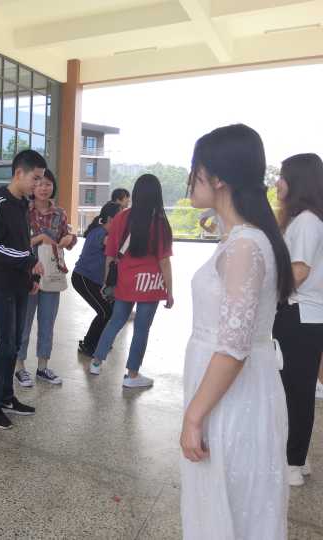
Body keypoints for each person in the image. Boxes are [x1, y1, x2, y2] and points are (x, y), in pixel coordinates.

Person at [179, 124, 293, 539]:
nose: (191, 178)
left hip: (231, 396)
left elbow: (232, 347)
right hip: (230, 389)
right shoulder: (246, 238)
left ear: (219, 178)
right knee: (229, 501)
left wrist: (194, 417)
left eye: (196, 168)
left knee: (230, 506)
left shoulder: (245, 245)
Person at [0, 149, 45, 429]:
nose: (38, 184)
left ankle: (7, 397)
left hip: (20, 282)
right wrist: (29, 261)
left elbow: (22, 243)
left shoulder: (22, 204)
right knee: (5, 345)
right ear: (19, 173)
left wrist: (30, 278)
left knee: (15, 344)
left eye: (42, 179)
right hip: (2, 283)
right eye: (35, 178)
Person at [89, 174, 174, 388]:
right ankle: (132, 375)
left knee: (116, 320)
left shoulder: (122, 217)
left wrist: (107, 282)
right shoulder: (160, 222)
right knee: (142, 329)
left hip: (125, 280)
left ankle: (96, 362)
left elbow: (110, 254)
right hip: (150, 284)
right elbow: (164, 261)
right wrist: (170, 291)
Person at [272, 153, 323, 487]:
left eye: (282, 176)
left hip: (299, 313)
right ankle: (298, 457)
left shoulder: (305, 221)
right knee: (298, 388)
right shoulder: (309, 220)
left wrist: (266, 289)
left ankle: (292, 462)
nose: (278, 183)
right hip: (306, 315)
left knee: (295, 390)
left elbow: (299, 271)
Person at [14, 169, 76, 387]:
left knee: (47, 323)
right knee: (24, 323)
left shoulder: (59, 213)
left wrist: (69, 238)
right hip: (27, 273)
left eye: (48, 183)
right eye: (39, 183)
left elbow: (67, 237)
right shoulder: (23, 210)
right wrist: (40, 237)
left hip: (52, 273)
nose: (43, 188)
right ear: (33, 186)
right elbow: (17, 242)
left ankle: (42, 367)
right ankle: (19, 367)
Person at [72, 202, 121, 357]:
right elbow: (113, 244)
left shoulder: (104, 232)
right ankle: (88, 345)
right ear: (110, 219)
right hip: (83, 278)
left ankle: (96, 343)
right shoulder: (100, 233)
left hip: (93, 281)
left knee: (108, 312)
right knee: (105, 312)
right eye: (120, 217)